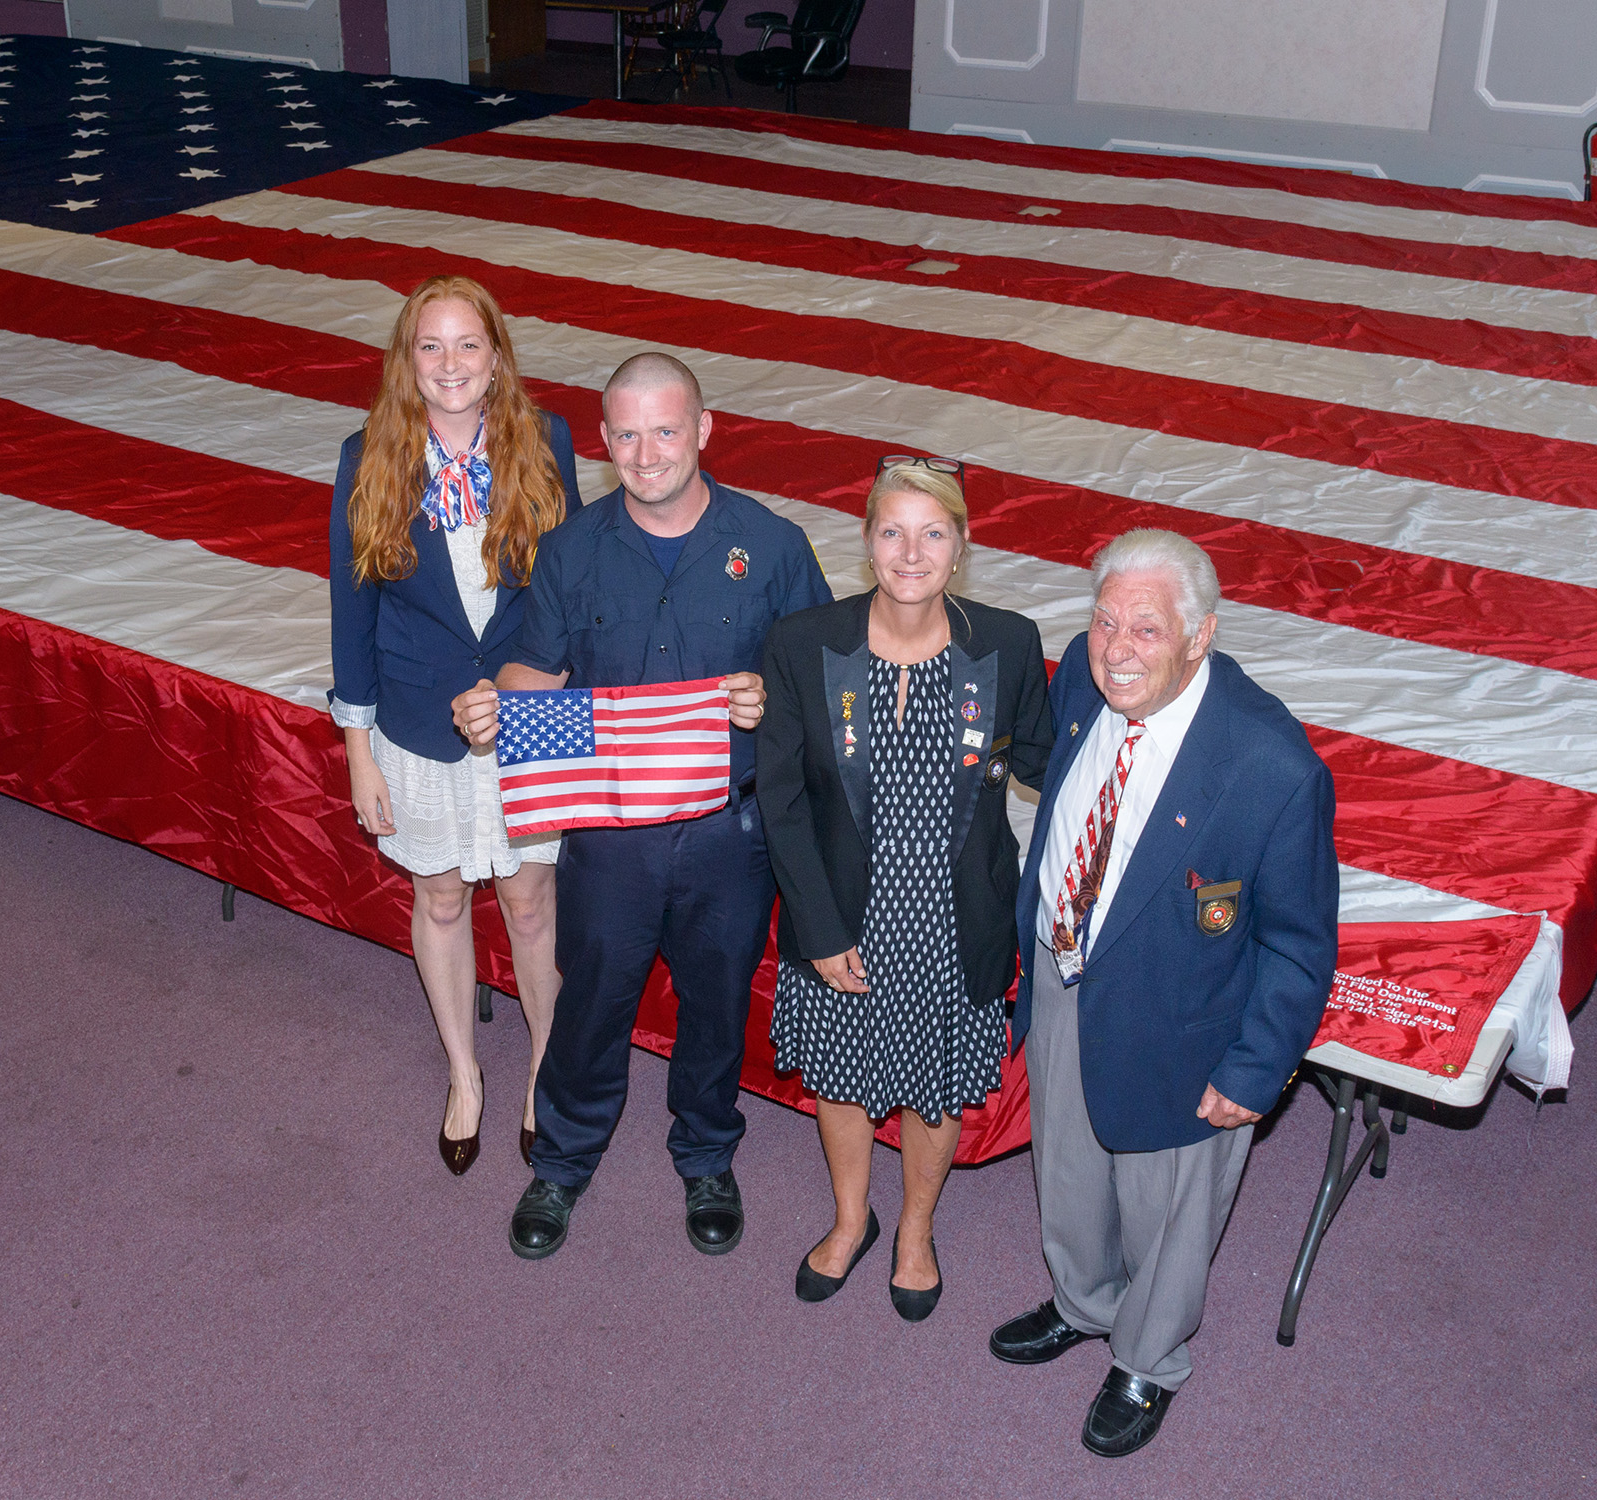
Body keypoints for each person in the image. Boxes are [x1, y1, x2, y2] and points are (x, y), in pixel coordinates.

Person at [453, 352, 831, 1260]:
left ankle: (705, 1150)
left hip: (727, 835)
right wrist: (495, 705)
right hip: (610, 836)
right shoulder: (572, 549)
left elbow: (824, 684)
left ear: (705, 429)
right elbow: (534, 668)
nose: (647, 451)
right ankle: (564, 1159)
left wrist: (770, 701)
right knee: (592, 1003)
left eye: (667, 429)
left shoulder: (773, 546)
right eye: (626, 432)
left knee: (714, 1001)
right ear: (603, 440)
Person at [989, 529, 1338, 1458]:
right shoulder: (1079, 683)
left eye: (1146, 629)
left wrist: (1258, 1069)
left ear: (1201, 636)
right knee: (1066, 1172)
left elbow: (1301, 947)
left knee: (1167, 1212)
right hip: (1067, 977)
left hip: (1187, 1030)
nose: (1116, 649)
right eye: (1105, 622)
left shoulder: (1270, 770)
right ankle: (1084, 1301)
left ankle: (1148, 1358)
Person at [757, 456, 1052, 1321]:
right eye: (892, 531)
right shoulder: (803, 644)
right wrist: (815, 928)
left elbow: (1048, 758)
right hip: (843, 913)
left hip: (953, 919)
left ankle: (916, 1229)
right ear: (866, 542)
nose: (911, 552)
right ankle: (852, 1218)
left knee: (936, 1080)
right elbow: (779, 801)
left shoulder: (1007, 642)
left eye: (932, 533)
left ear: (960, 548)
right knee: (843, 1079)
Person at [328, 275, 580, 1179]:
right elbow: (350, 621)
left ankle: (545, 1071)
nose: (449, 364)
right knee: (439, 898)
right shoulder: (367, 458)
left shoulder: (546, 443)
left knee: (531, 901)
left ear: (498, 355)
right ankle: (465, 1075)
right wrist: (359, 756)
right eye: (428, 346)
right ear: (407, 362)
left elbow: (571, 591)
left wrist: (542, 695)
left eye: (466, 344)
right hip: (416, 727)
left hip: (531, 714)